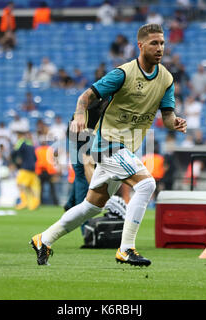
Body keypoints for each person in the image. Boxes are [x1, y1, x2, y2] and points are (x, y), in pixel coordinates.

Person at [30, 24, 187, 266]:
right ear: (141, 45)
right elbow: (85, 97)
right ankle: (126, 249)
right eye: (154, 43)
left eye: (162, 43)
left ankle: (44, 239)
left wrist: (173, 122)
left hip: (125, 148)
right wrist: (80, 115)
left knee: (91, 207)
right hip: (108, 144)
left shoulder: (166, 78)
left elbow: (166, 115)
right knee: (146, 184)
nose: (160, 48)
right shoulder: (122, 73)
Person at [12, 131, 40, 210]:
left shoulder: (21, 143)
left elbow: (14, 152)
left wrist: (16, 162)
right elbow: (35, 158)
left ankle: (24, 202)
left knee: (20, 185)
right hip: (33, 169)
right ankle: (33, 204)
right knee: (30, 187)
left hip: (25, 169)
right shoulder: (31, 145)